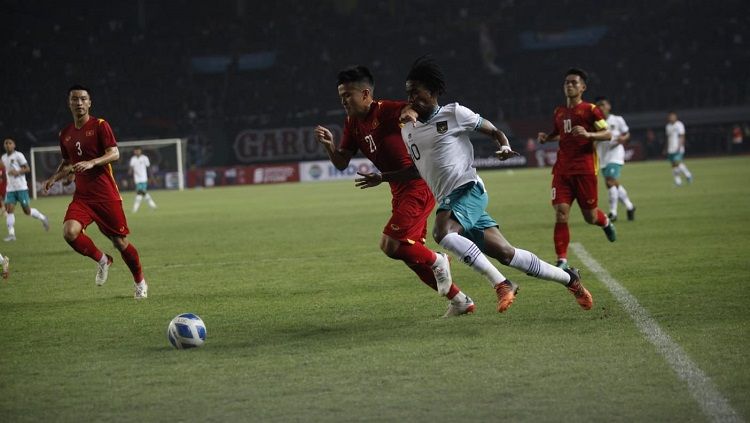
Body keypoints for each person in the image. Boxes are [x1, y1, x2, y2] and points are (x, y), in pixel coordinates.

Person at [394, 56, 592, 313]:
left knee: (442, 233)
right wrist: (384, 177)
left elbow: (494, 131)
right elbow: (417, 169)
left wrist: (505, 146)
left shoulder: (454, 113)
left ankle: (502, 283)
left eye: (416, 93)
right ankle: (571, 279)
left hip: (468, 189)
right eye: (408, 94)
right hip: (451, 200)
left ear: (432, 92)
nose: (410, 99)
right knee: (507, 254)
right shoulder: (407, 129)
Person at [314, 65, 473, 317]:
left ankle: (438, 259)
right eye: (340, 96)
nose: (343, 101)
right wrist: (330, 147)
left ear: (365, 94)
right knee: (410, 256)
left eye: (347, 95)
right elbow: (342, 161)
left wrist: (409, 113)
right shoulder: (352, 122)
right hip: (399, 190)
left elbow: (409, 109)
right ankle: (460, 301)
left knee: (390, 244)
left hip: (418, 186)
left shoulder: (386, 110)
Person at [43, 85, 148, 299]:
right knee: (69, 232)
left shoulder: (100, 125)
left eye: (83, 99)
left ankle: (139, 281)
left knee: (119, 242)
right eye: (75, 99)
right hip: (82, 197)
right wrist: (55, 177)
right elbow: (67, 162)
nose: (79, 103)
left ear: (89, 103)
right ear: (69, 103)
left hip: (105, 195)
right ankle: (102, 260)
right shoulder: (65, 134)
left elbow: (114, 153)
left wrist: (92, 162)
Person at [538, 68, 615, 270]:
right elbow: (559, 134)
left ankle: (605, 221)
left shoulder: (591, 110)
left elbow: (607, 134)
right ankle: (561, 260)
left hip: (585, 170)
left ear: (583, 87)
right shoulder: (559, 112)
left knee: (590, 217)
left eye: (574, 82)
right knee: (561, 213)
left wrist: (589, 135)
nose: (569, 85)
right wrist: (547, 138)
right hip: (562, 171)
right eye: (566, 82)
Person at [594, 97, 636, 221]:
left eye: (603, 104)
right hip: (603, 156)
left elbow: (627, 134)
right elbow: (594, 140)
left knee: (610, 181)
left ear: (609, 106)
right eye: (598, 105)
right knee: (612, 184)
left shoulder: (617, 120)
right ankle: (630, 206)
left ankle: (613, 213)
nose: (601, 107)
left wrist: (624, 139)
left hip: (616, 155)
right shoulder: (595, 123)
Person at [1, 138, 50, 241]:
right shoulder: (4, 158)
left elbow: (27, 168)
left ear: (14, 145)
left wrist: (17, 172)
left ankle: (43, 218)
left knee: (26, 211)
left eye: (10, 143)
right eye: (6, 143)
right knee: (9, 210)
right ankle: (11, 234)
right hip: (10, 189)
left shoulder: (18, 155)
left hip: (21, 187)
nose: (8, 145)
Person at [664, 111, 693, 186]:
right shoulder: (668, 126)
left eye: (672, 116)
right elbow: (668, 138)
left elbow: (682, 136)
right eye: (670, 117)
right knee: (673, 165)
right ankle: (678, 181)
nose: (671, 118)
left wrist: (679, 146)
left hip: (677, 148)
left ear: (675, 117)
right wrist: (666, 148)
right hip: (671, 148)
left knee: (677, 163)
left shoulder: (679, 125)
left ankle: (688, 175)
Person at [129, 146, 157, 212]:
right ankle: (152, 205)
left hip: (144, 178)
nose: (137, 152)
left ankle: (135, 209)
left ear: (140, 151)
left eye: (138, 150)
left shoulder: (145, 158)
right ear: (134, 152)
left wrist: (151, 177)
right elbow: (131, 168)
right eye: (135, 151)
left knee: (139, 192)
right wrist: (130, 173)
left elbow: (148, 168)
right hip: (137, 179)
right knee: (142, 192)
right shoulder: (133, 159)